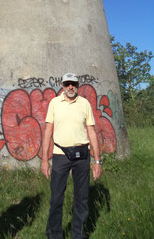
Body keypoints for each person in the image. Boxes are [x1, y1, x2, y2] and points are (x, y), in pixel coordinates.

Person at [41, 73, 102, 239]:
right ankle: (54, 235)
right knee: (56, 199)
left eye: (73, 84)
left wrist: (97, 161)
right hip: (60, 156)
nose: (70, 87)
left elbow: (91, 131)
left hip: (82, 156)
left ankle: (79, 234)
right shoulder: (54, 103)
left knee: (82, 199)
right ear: (62, 85)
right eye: (67, 84)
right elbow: (48, 131)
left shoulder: (84, 103)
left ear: (77, 85)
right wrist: (45, 160)